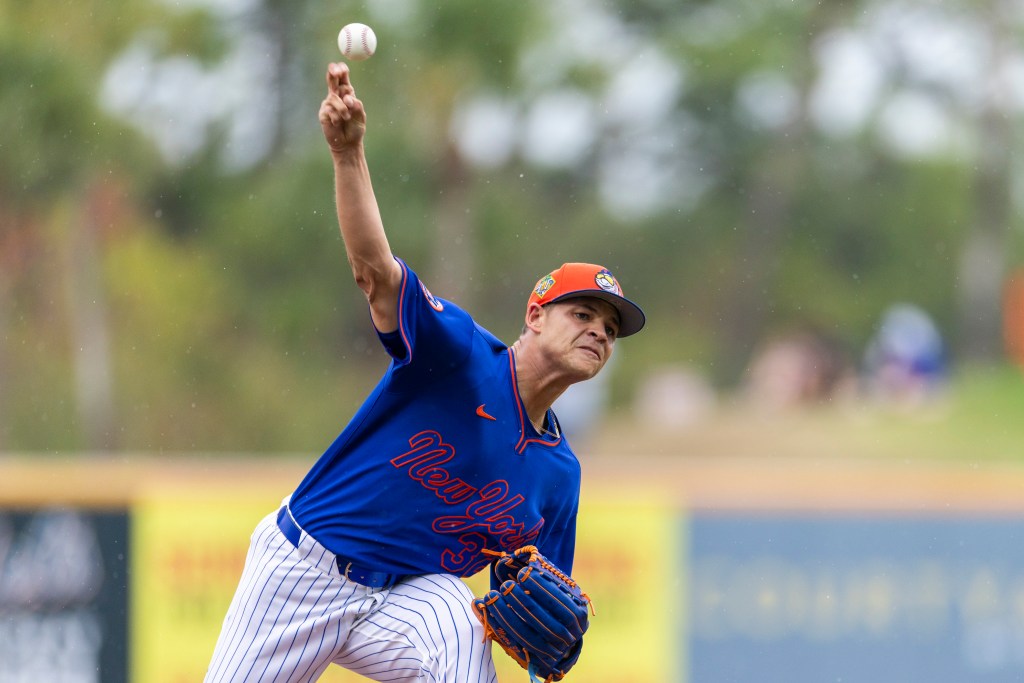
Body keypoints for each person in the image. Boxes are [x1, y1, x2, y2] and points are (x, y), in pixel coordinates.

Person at [204, 61, 646, 683]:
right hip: (305, 568)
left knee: (463, 628)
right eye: (583, 312)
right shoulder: (458, 355)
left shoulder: (558, 476)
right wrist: (347, 153)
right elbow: (376, 272)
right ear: (535, 316)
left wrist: (547, 654)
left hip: (405, 599)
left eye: (611, 326)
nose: (599, 330)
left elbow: (544, 625)